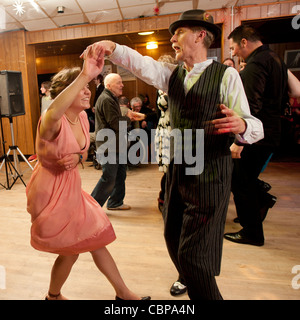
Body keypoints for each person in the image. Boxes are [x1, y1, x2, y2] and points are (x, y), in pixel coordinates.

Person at [84, 9, 263, 300]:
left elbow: (255, 126)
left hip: (210, 176)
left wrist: (242, 124)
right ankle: (195, 279)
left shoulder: (226, 75)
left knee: (193, 257)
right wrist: (114, 48)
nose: (172, 39)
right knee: (172, 238)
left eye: (179, 33)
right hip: (177, 173)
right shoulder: (172, 75)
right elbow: (142, 65)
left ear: (200, 35)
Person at [26, 47, 150, 301]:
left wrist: (76, 157)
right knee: (71, 251)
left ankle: (122, 292)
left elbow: (82, 153)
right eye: (81, 87)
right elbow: (53, 111)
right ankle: (53, 296)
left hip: (72, 188)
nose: (87, 91)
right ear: (65, 93)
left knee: (95, 238)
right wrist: (84, 74)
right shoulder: (51, 120)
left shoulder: (82, 117)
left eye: (87, 86)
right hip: (50, 192)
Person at [224, 25, 289, 247]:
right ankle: (260, 202)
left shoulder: (256, 63)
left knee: (241, 181)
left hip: (257, 134)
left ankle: (252, 231)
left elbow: (249, 107)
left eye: (233, 47)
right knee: (245, 179)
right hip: (271, 130)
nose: (232, 53)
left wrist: (239, 142)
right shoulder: (275, 59)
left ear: (244, 42)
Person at [91, 73, 143, 210]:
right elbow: (114, 123)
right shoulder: (106, 99)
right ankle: (92, 207)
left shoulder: (111, 98)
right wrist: (130, 119)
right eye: (119, 83)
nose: (122, 85)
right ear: (108, 85)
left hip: (115, 145)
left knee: (120, 175)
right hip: (109, 147)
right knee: (108, 178)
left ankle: (115, 202)